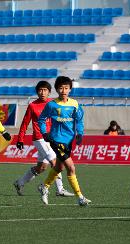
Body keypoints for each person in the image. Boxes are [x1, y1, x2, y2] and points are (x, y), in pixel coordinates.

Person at [13, 81, 74, 197]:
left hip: (52, 139)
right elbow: (25, 123)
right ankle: (60, 189)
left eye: (45, 90)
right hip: (39, 138)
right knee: (55, 162)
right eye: (40, 90)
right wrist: (20, 139)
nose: (42, 92)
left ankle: (19, 182)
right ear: (37, 92)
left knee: (41, 167)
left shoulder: (53, 104)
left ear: (49, 92)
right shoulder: (32, 105)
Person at [37, 76, 91, 206]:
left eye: (66, 88)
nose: (63, 90)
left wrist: (80, 134)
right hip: (56, 140)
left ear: (70, 89)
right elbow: (41, 119)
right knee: (71, 168)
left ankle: (44, 186)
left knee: (59, 167)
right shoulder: (52, 105)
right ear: (56, 89)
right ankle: (80, 197)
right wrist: (44, 133)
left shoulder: (75, 104)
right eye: (60, 88)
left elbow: (79, 120)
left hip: (69, 140)